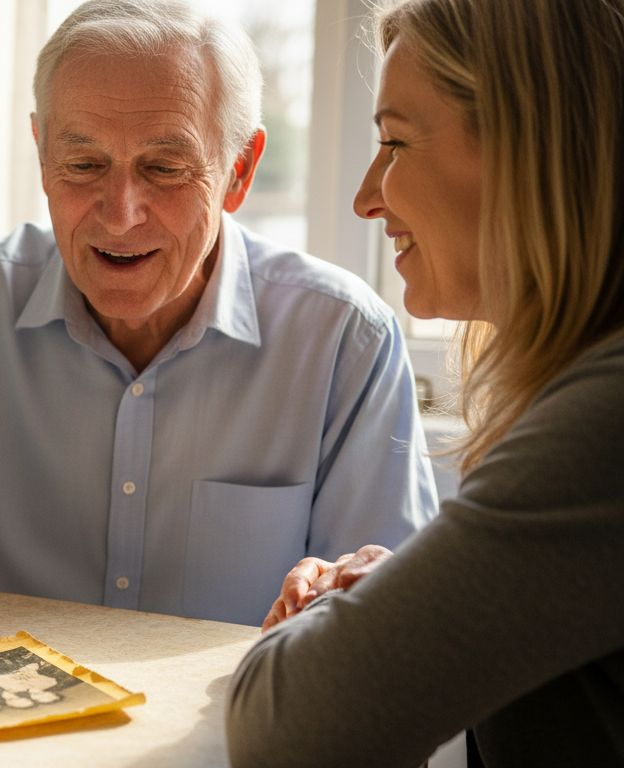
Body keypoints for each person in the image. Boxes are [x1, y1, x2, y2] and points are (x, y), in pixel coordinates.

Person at [0, 0, 437, 683]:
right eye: (84, 165)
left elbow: (399, 608)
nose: (120, 213)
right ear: (41, 157)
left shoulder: (344, 339)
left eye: (164, 168)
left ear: (239, 172)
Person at [226, 0, 624, 765]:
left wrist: (345, 622)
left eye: (395, 142)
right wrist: (412, 589)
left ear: (527, 150)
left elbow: (287, 727)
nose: (366, 196)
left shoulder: (602, 428)